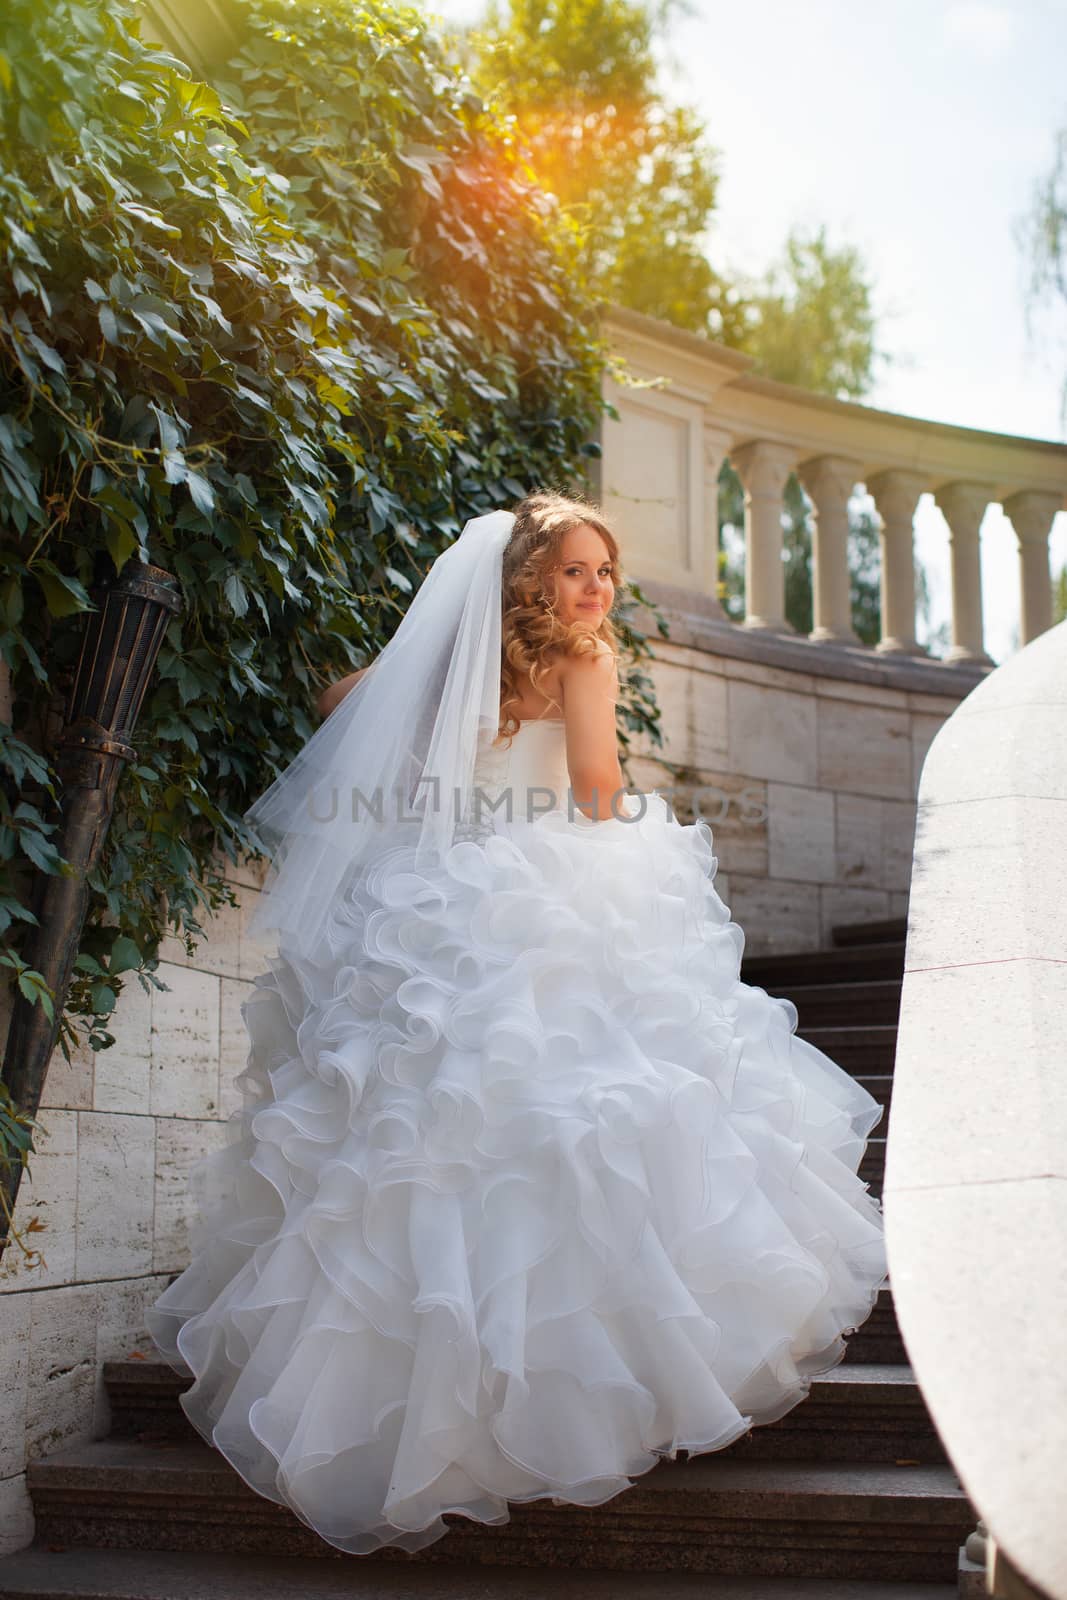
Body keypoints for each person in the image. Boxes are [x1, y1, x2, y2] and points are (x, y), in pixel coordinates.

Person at [144, 490, 888, 1556]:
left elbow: (336, 700)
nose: (596, 592)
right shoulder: (584, 664)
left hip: (437, 893)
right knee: (571, 1118)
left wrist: (431, 677)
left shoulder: (457, 658)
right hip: (545, 890)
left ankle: (430, 1400)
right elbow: (594, 793)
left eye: (604, 573)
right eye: (577, 572)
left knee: (426, 1134)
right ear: (533, 581)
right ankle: (572, 1389)